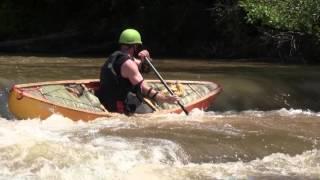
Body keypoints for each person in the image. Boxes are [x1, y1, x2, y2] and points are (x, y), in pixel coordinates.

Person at [97, 28, 179, 114]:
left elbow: (145, 69)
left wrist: (147, 58)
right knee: (151, 111)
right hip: (119, 106)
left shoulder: (116, 57)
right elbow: (143, 88)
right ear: (135, 46)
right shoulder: (129, 64)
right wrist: (165, 99)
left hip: (106, 99)